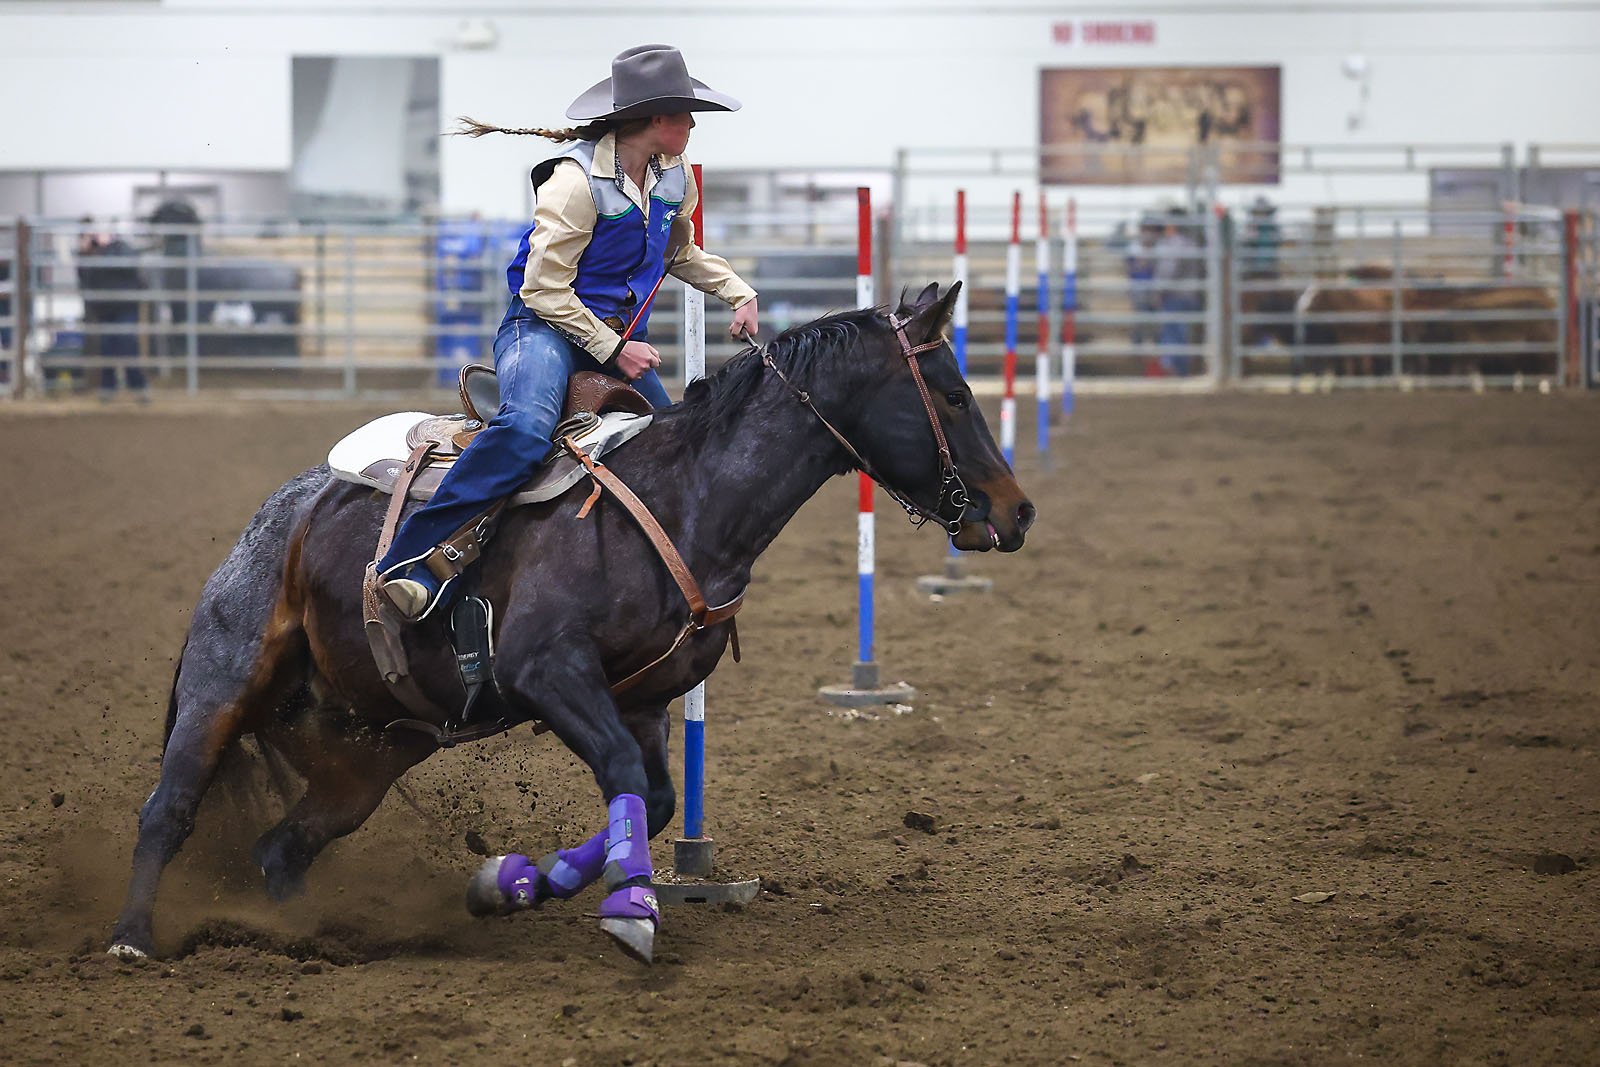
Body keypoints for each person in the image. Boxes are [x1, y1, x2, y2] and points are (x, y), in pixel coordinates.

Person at [379, 44, 759, 621]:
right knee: (527, 429)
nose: (692, 125)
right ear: (656, 120)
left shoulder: (674, 179)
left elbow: (677, 250)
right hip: (542, 329)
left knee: (670, 443)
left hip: (610, 339)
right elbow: (541, 291)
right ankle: (410, 562)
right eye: (685, 114)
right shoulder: (573, 182)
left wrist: (737, 289)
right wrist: (614, 349)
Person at [76, 222, 148, 399]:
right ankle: (109, 387)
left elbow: (128, 266)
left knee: (127, 343)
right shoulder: (89, 256)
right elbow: (84, 277)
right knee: (107, 347)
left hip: (125, 306)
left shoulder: (121, 248)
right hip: (105, 309)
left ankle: (138, 387)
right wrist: (87, 253)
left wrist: (99, 253)